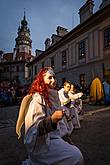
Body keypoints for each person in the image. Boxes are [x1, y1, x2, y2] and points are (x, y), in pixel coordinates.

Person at [16, 67, 84, 165]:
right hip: (43, 144)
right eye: (50, 77)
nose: (54, 80)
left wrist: (65, 138)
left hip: (55, 139)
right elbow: (33, 129)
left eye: (54, 77)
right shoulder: (38, 99)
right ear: (42, 80)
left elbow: (60, 126)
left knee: (75, 152)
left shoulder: (53, 96)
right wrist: (51, 120)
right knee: (76, 156)